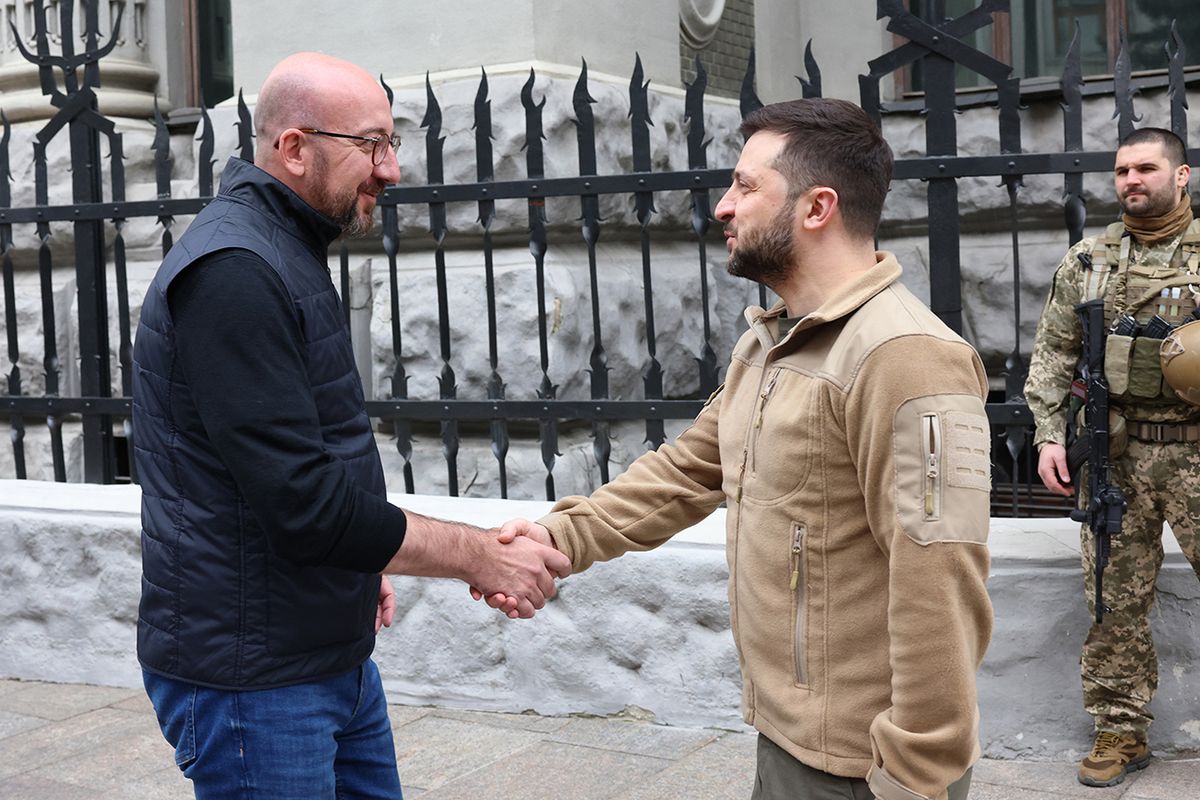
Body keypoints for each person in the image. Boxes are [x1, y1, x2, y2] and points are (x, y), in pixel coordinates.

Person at [484, 98, 992, 800]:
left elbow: (938, 579)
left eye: (746, 186)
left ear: (817, 208)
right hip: (787, 732)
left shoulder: (904, 355)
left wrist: (915, 776)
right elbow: (690, 470)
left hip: (862, 767)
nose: (723, 207)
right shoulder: (775, 338)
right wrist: (555, 536)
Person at [131, 53, 570, 800]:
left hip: (320, 648)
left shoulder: (283, 250)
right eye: (371, 144)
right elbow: (303, 503)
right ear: (295, 148)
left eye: (391, 143)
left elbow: (306, 455)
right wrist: (480, 558)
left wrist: (358, 567)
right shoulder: (234, 271)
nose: (392, 169)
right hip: (256, 679)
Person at [1025, 127, 1200, 788]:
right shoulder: (1087, 261)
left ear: (1180, 176)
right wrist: (1047, 434)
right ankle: (1119, 729)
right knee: (1112, 602)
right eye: (1122, 170)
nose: (1131, 180)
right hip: (1117, 457)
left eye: (1146, 168)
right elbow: (1053, 356)